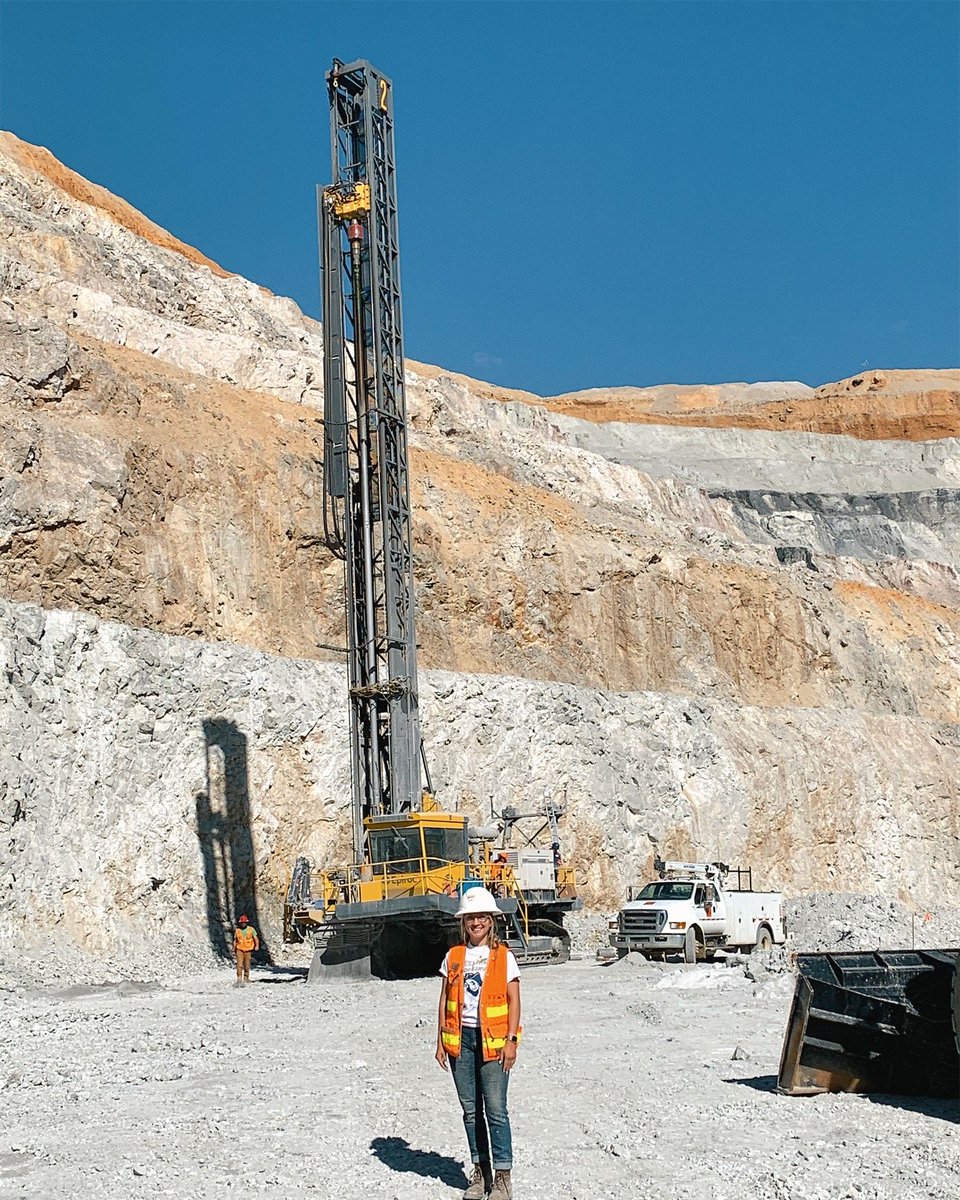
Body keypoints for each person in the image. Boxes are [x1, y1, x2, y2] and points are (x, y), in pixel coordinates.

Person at [435, 886, 521, 1200]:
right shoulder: (454, 955)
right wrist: (440, 1040)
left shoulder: (504, 956)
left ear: (491, 920)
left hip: (495, 1043)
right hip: (462, 1042)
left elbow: (514, 1000)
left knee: (496, 1111)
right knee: (471, 1112)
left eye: (482, 916)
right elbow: (445, 998)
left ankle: (502, 1178)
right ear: (464, 922)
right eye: (471, 917)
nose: (477, 922)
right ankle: (479, 1172)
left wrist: (511, 1041)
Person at [232, 914, 259, 986]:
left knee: (247, 965)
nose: (243, 924)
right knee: (239, 964)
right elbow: (235, 940)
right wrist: (233, 949)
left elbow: (255, 938)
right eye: (242, 922)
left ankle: (246, 978)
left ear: (246, 922)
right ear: (240, 923)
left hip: (248, 950)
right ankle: (239, 978)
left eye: (244, 922)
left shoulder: (251, 929)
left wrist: (257, 946)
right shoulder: (237, 930)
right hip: (239, 949)